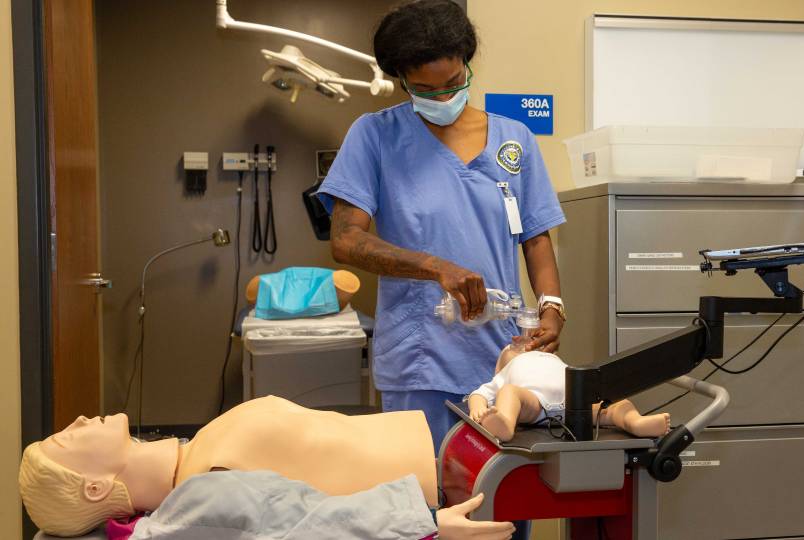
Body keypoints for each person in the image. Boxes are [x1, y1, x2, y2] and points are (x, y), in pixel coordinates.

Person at [318, 0, 567, 455]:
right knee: (428, 506)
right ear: (402, 82)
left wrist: (551, 306)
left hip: (505, 358)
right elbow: (346, 239)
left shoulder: (515, 140)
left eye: (452, 83)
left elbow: (536, 237)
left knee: (504, 503)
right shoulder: (375, 136)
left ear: (467, 65)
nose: (442, 97)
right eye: (425, 90)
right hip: (421, 363)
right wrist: (435, 268)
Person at [19, 396, 515, 539]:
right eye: (68, 436)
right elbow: (312, 526)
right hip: (454, 498)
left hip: (455, 460)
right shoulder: (204, 492)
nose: (80, 418)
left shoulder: (198, 460)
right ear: (94, 488)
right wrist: (425, 523)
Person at [467, 345, 672, 442]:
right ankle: (503, 423)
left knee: (613, 403)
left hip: (576, 404)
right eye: (515, 348)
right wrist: (478, 410)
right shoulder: (505, 372)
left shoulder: (553, 360)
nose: (526, 345)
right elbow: (479, 394)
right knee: (509, 393)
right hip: (535, 403)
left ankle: (635, 422)